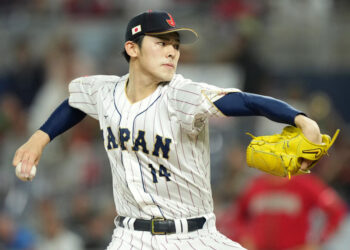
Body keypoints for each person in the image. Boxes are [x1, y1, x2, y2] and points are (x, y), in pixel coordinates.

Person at [12, 11, 323, 250]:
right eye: (161, 43)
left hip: (195, 236)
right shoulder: (104, 92)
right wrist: (39, 139)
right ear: (132, 48)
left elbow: (241, 100)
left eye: (175, 45)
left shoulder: (181, 95)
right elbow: (75, 103)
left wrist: (299, 118)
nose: (172, 52)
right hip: (131, 237)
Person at [216, 173, 347, 250]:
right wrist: (243, 236)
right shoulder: (256, 185)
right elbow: (237, 216)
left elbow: (336, 210)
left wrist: (317, 242)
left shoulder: (305, 183)